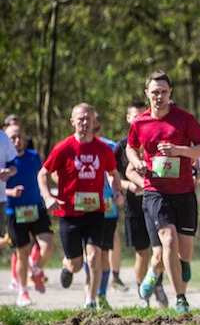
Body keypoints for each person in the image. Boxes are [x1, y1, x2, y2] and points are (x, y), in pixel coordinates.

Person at [126, 70, 200, 313]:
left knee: (185, 251)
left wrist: (179, 150)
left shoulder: (184, 119)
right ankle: (180, 298)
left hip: (184, 191)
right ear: (147, 93)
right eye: (155, 92)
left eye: (163, 91)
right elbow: (131, 148)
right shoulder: (140, 122)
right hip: (156, 191)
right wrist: (137, 162)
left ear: (170, 92)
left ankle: (162, 268)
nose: (159, 96)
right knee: (168, 241)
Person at [39, 103, 124, 310]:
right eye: (81, 119)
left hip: (95, 211)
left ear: (94, 121)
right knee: (76, 264)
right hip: (69, 213)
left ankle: (91, 301)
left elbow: (113, 173)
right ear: (73, 122)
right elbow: (43, 173)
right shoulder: (63, 147)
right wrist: (48, 196)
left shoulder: (103, 149)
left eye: (88, 119)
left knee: (94, 256)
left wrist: (117, 190)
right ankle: (67, 265)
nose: (85, 123)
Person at [113, 99, 162, 307]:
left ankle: (158, 285)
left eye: (143, 115)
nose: (139, 120)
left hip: (157, 202)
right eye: (135, 116)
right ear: (128, 119)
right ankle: (143, 295)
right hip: (134, 206)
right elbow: (112, 175)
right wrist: (127, 186)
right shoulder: (121, 147)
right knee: (143, 253)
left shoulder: (156, 140)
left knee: (161, 248)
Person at [4, 123, 53, 306]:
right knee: (22, 252)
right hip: (14, 211)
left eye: (20, 136)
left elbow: (43, 176)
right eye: (13, 138)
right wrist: (10, 192)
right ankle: (23, 292)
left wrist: (48, 194)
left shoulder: (34, 156)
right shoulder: (3, 161)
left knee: (48, 246)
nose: (17, 141)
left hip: (36, 208)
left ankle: (37, 270)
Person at [93, 114, 122, 309]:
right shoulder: (72, 146)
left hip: (107, 204)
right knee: (89, 253)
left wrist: (117, 191)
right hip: (83, 205)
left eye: (95, 126)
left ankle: (101, 296)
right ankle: (90, 289)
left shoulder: (110, 147)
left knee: (103, 253)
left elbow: (116, 173)